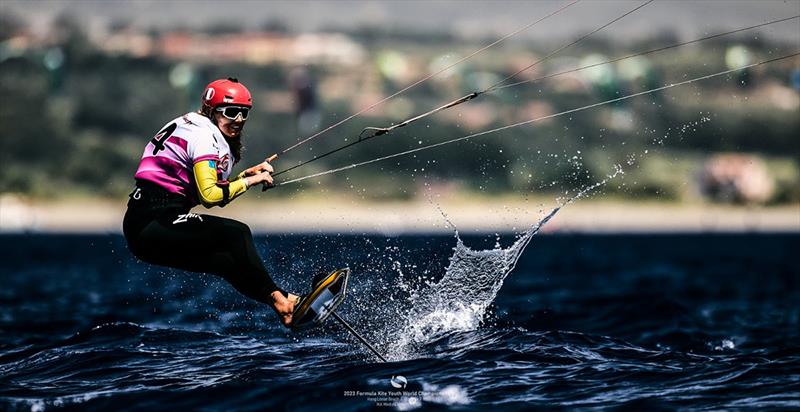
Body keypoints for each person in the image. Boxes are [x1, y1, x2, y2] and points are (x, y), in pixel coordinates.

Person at [123, 77, 299, 326]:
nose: (239, 119)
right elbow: (210, 196)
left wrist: (243, 177)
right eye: (231, 112)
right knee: (237, 233)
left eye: (244, 113)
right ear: (212, 110)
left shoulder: (192, 123)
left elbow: (211, 192)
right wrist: (250, 182)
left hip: (150, 223)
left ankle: (286, 303)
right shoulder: (204, 136)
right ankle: (283, 303)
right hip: (151, 222)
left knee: (227, 263)